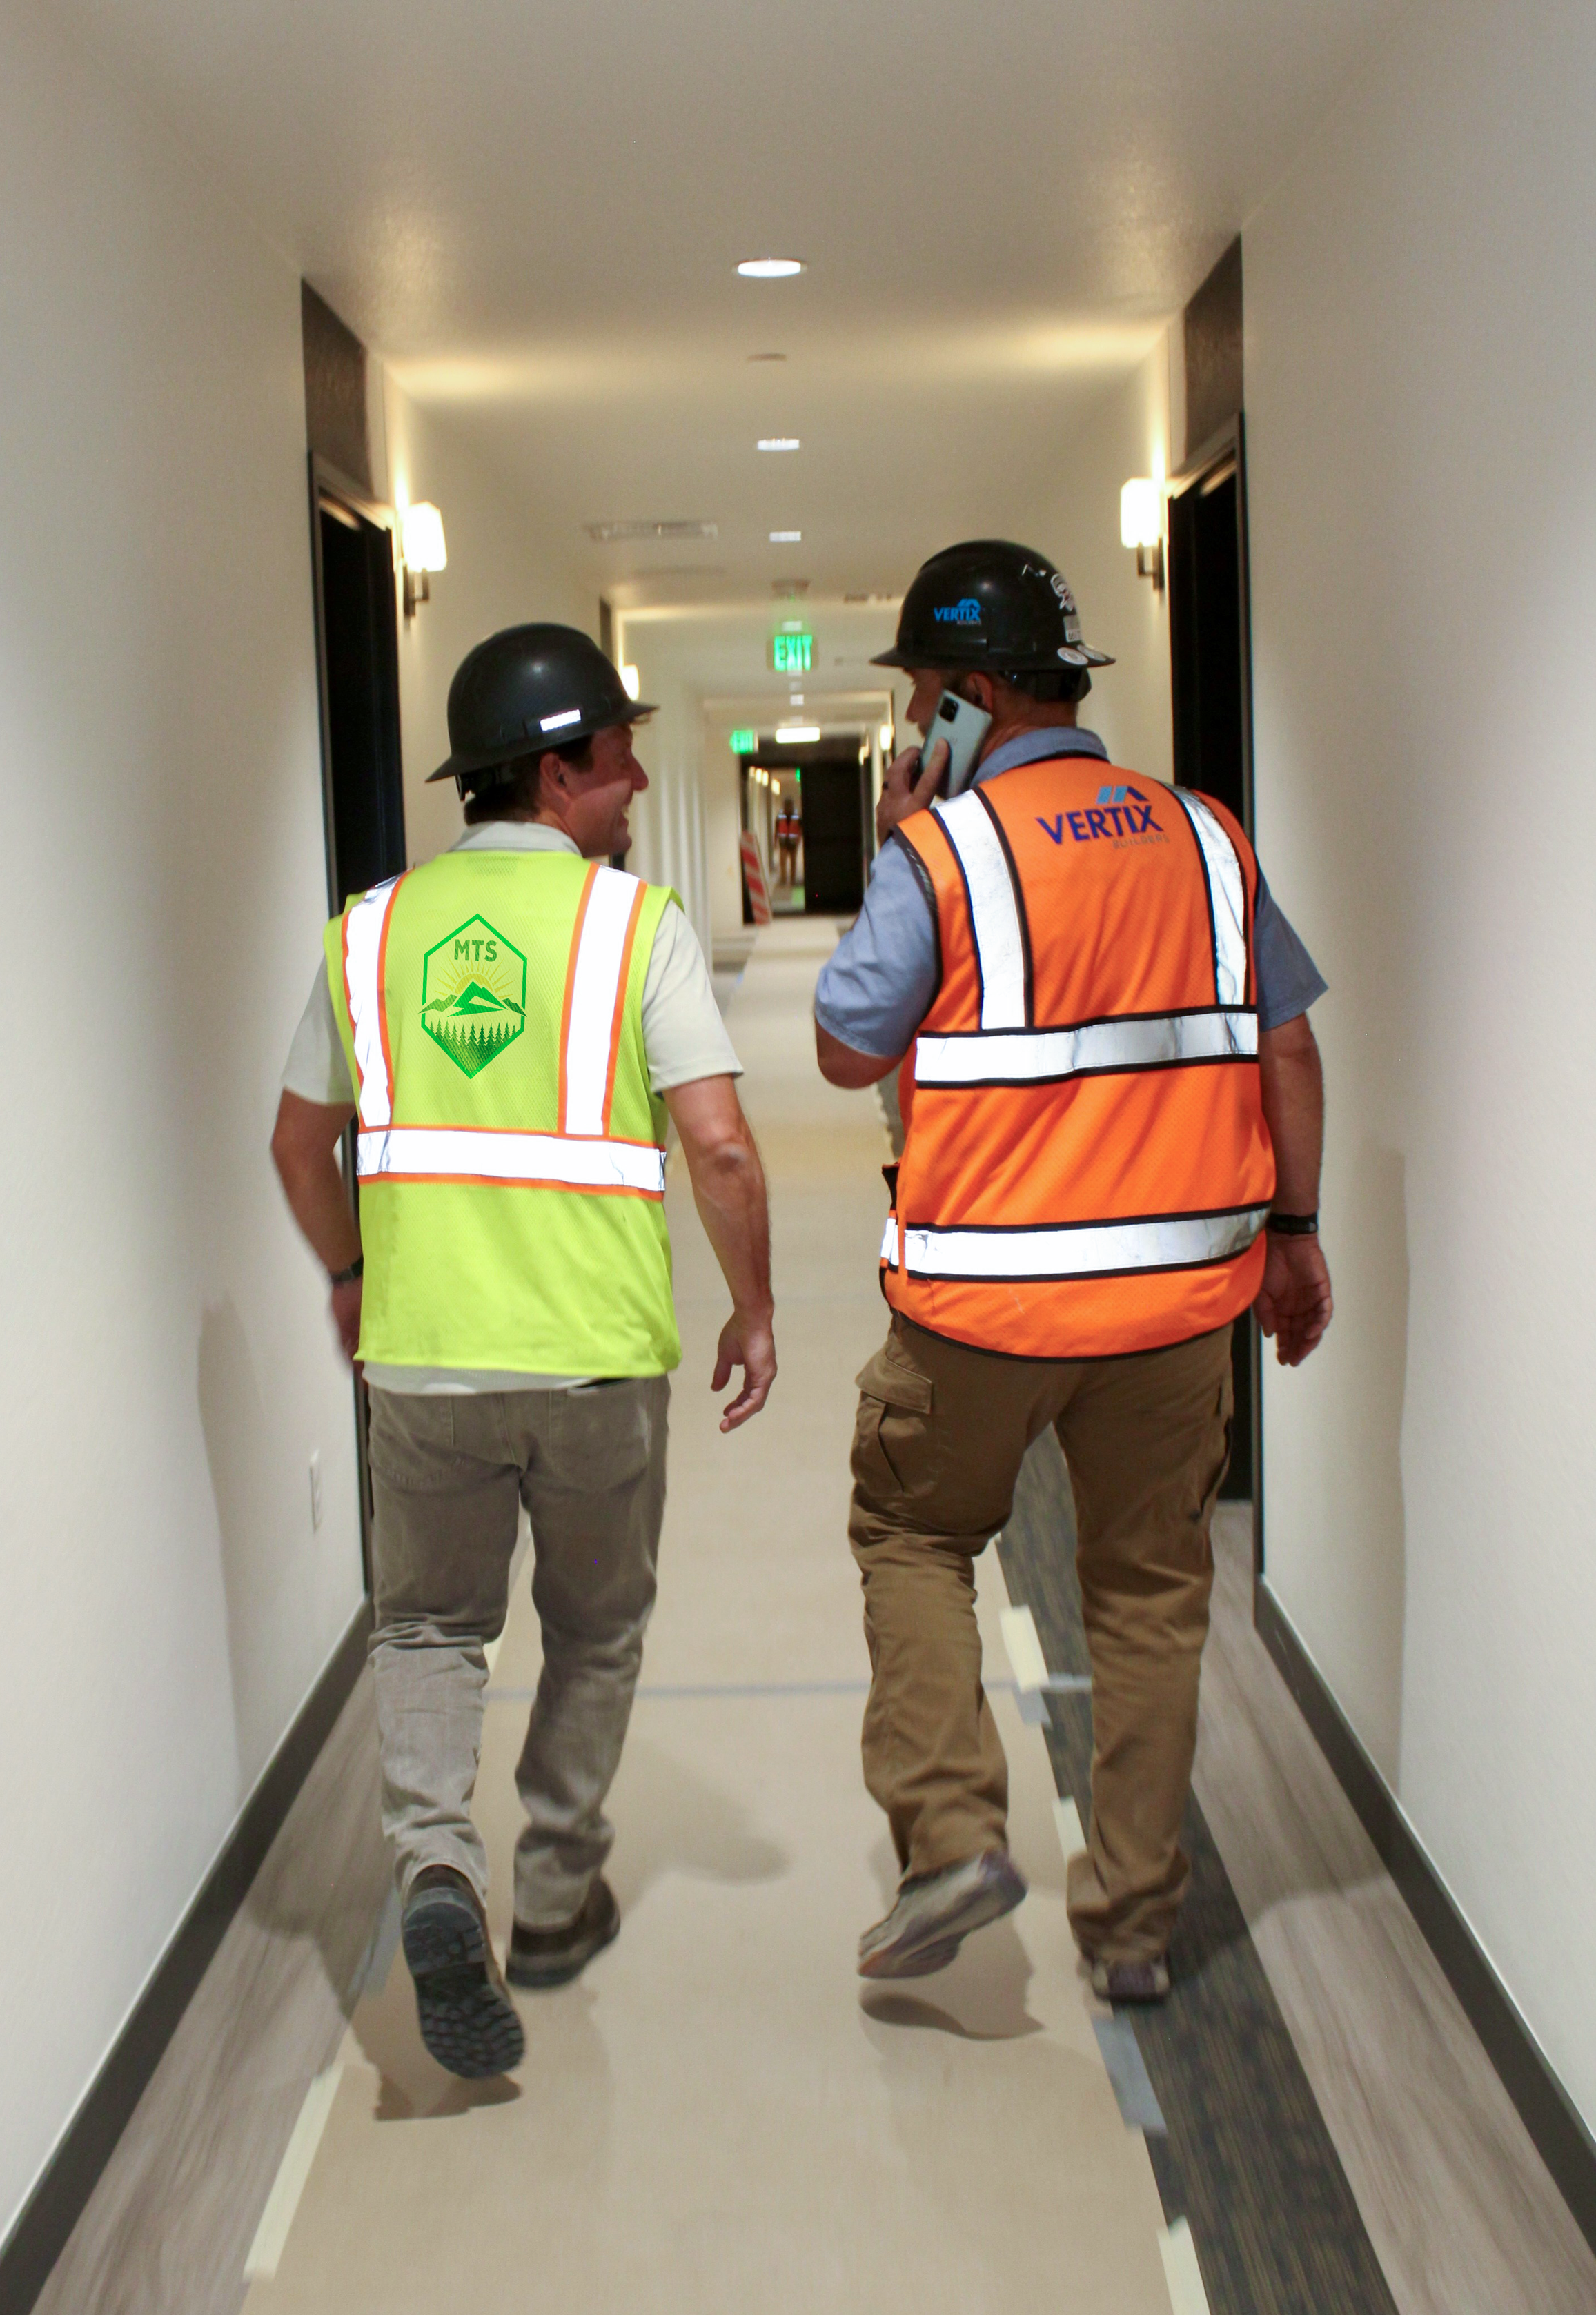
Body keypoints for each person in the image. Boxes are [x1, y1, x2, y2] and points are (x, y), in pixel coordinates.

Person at [814, 541, 1331, 2001]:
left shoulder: (944, 853)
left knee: (912, 1534)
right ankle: (1133, 1930)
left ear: (972, 698)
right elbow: (1288, 1046)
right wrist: (1294, 1237)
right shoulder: (1207, 838)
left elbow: (845, 1044)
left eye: (921, 693)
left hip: (982, 1310)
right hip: (1176, 1311)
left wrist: (897, 843)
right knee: (1151, 1593)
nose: (912, 723)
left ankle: (950, 1840)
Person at [272, 622, 776, 2078]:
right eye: (617, 756)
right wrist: (753, 1306)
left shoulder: (369, 933)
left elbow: (297, 1143)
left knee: (430, 1627)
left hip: (423, 1362)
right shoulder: (634, 926)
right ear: (556, 773)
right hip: (595, 1362)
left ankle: (439, 1863)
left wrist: (351, 1274)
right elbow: (721, 1149)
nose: (635, 783)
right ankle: (553, 1891)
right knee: (595, 1626)